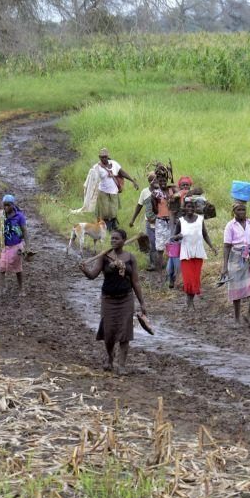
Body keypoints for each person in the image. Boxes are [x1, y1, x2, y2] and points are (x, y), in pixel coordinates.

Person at [78, 229, 147, 375]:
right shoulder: (104, 257)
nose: (113, 241)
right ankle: (110, 357)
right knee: (108, 334)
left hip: (126, 299)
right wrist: (84, 270)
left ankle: (121, 365)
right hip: (108, 299)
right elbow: (92, 275)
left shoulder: (130, 258)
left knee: (124, 333)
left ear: (123, 240)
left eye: (116, 239)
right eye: (112, 238)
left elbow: (135, 282)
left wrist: (142, 303)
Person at [221, 202, 250, 326]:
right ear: (234, 211)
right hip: (236, 257)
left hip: (249, 257)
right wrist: (224, 267)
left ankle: (249, 315)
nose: (241, 212)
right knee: (236, 290)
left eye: (243, 210)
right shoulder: (230, 226)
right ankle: (237, 318)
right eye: (238, 210)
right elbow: (227, 246)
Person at [170, 197, 213, 309]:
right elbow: (173, 237)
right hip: (186, 254)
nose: (190, 208)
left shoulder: (200, 219)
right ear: (184, 208)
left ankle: (191, 300)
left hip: (198, 253)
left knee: (195, 278)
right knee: (188, 279)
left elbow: (205, 234)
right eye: (188, 206)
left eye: (192, 207)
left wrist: (212, 247)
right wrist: (177, 236)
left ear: (195, 208)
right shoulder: (181, 221)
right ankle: (189, 301)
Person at [88, 148, 138, 232]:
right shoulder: (97, 167)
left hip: (114, 192)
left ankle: (112, 227)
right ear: (99, 157)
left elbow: (122, 172)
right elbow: (92, 179)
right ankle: (105, 229)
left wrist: (132, 181)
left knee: (113, 211)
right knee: (105, 213)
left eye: (105, 157)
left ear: (108, 156)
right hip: (103, 192)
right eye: (102, 157)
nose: (104, 159)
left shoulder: (114, 164)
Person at [0, 194, 30, 295]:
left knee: (18, 268)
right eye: (4, 205)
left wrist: (27, 246)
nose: (6, 207)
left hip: (16, 246)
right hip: (4, 246)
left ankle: (21, 289)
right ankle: (1, 289)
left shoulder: (19, 216)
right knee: (2, 268)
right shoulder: (1, 215)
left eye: (8, 205)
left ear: (13, 205)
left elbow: (24, 231)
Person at [128, 172, 159, 271]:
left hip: (161, 222)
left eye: (157, 179)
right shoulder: (145, 192)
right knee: (152, 242)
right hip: (149, 222)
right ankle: (153, 263)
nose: (156, 181)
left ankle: (160, 262)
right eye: (153, 180)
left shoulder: (162, 191)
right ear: (149, 182)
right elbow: (139, 206)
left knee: (160, 244)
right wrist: (132, 219)